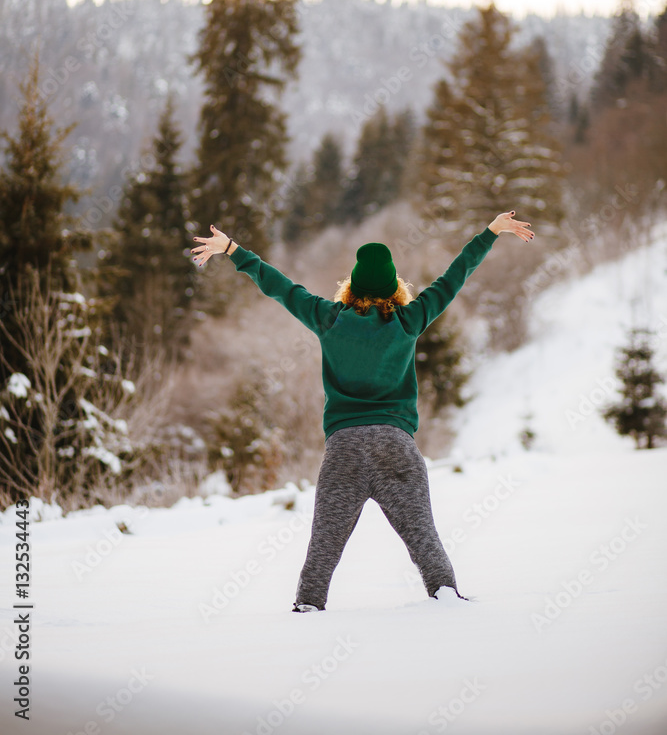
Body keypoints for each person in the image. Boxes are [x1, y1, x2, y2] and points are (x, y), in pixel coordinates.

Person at [191, 210, 534, 612]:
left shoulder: (328, 318)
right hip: (396, 447)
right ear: (395, 287)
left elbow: (280, 287)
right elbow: (453, 278)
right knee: (425, 542)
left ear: (351, 287)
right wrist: (490, 232)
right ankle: (446, 602)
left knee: (322, 553)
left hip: (344, 452)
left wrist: (233, 249)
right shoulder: (410, 320)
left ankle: (307, 610)